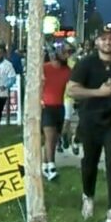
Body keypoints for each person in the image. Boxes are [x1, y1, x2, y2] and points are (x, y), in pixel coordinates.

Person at [66, 25, 111, 222]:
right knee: (90, 161)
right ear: (97, 42)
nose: (108, 43)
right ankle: (88, 195)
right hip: (91, 119)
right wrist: (98, 93)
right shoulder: (86, 63)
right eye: (103, 39)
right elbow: (72, 90)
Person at [41, 48, 72, 181]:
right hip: (45, 106)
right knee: (50, 136)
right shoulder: (44, 68)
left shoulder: (68, 71)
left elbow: (71, 89)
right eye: (64, 53)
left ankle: (45, 165)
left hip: (59, 106)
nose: (66, 55)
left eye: (68, 53)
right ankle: (52, 166)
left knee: (53, 139)